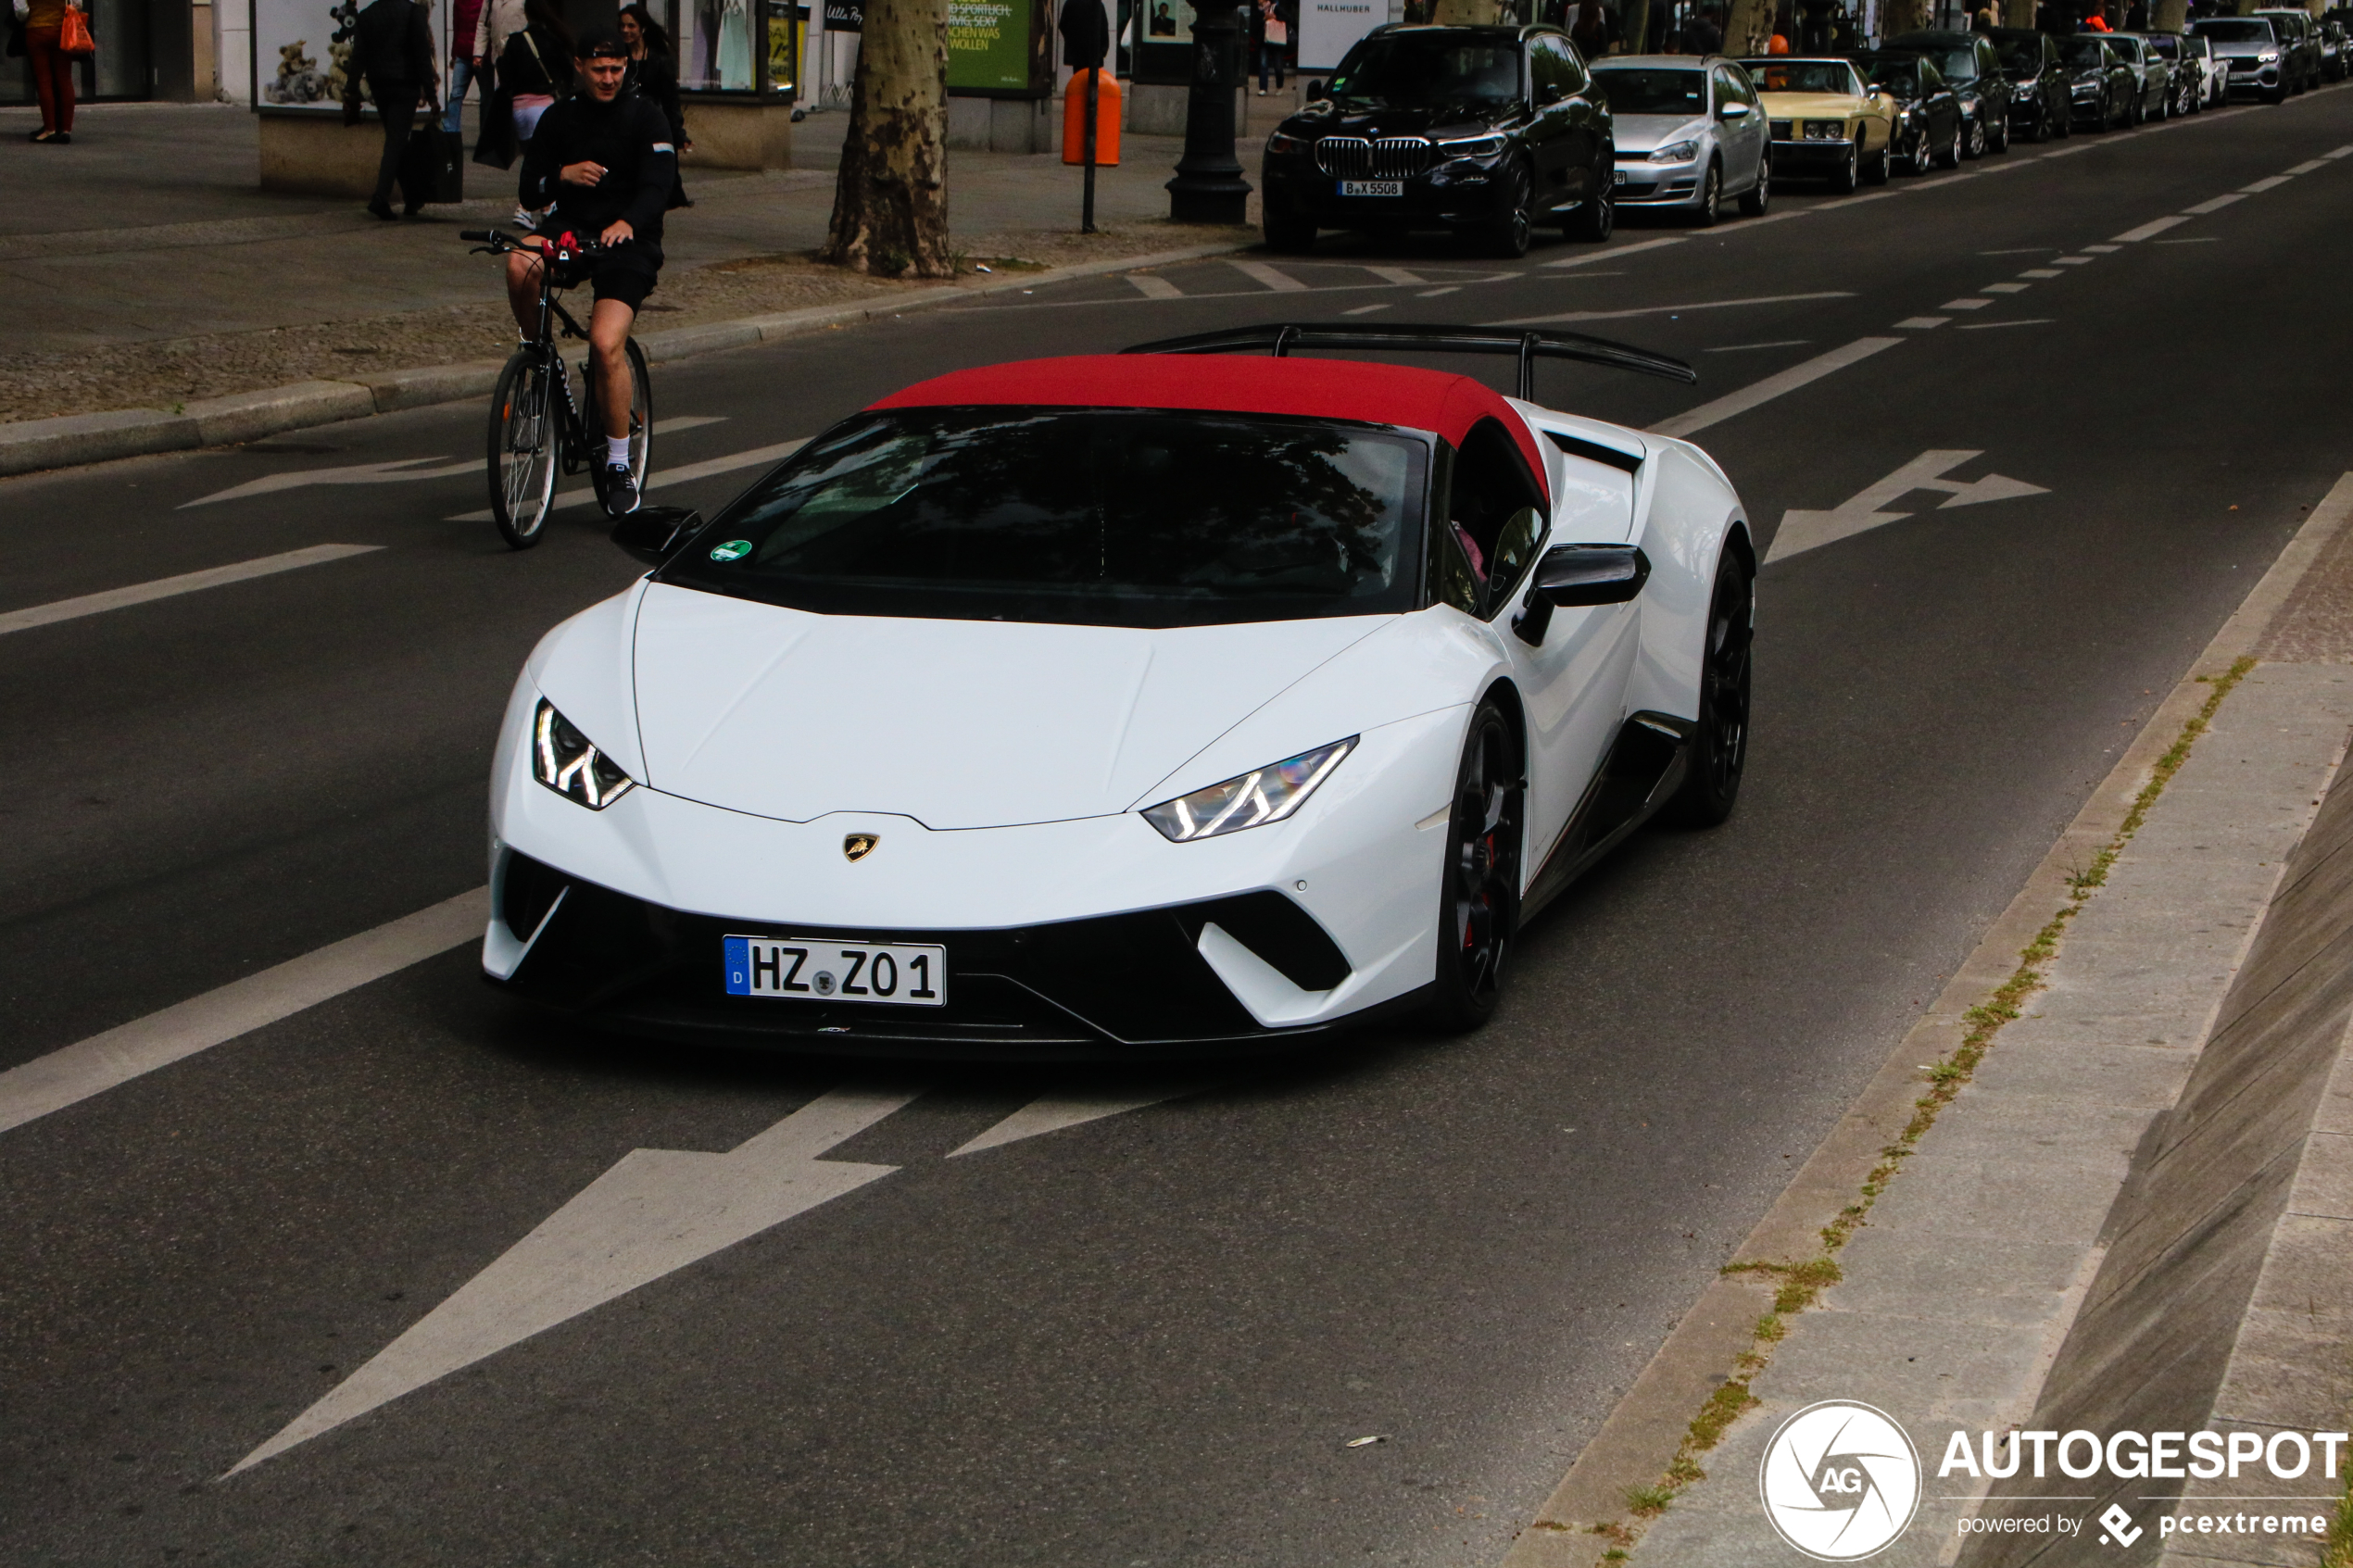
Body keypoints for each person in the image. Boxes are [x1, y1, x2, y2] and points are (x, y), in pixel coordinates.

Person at [508, 25, 677, 518]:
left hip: (629, 243)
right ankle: (536, 357)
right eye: (599, 69)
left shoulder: (647, 118)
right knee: (520, 259)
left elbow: (658, 186)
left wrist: (628, 222)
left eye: (617, 69)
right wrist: (561, 174)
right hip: (572, 232)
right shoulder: (560, 118)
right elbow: (531, 186)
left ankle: (620, 464)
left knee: (605, 345)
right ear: (579, 67)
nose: (608, 78)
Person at [348, 0, 439, 220]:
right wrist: (431, 93)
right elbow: (422, 54)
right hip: (404, 85)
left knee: (396, 141)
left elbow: (358, 55)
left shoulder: (368, 15)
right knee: (396, 141)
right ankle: (380, 198)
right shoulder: (413, 12)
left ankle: (412, 198)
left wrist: (351, 90)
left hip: (379, 85)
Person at [495, 0, 574, 225]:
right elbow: (567, 72)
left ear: (526, 13)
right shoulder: (553, 40)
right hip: (543, 106)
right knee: (545, 160)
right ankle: (525, 208)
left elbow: (506, 78)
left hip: (519, 108)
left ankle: (546, 206)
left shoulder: (515, 41)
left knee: (531, 157)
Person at [619, 3, 693, 207]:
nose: (625, 30)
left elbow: (670, 100)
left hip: (649, 121)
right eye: (623, 26)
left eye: (631, 26)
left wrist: (678, 133)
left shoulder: (659, 60)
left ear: (642, 28)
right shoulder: (619, 57)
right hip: (625, 120)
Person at [21, 0, 79, 144]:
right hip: (62, 30)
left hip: (36, 31)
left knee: (44, 80)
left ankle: (50, 129)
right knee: (65, 79)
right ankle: (66, 130)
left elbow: (21, 12)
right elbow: (78, 4)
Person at [443, 0, 485, 135]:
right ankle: (451, 133)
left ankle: (451, 132)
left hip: (476, 54)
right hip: (474, 54)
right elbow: (457, 25)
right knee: (459, 94)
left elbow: (457, 25)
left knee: (457, 95)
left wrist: (454, 52)